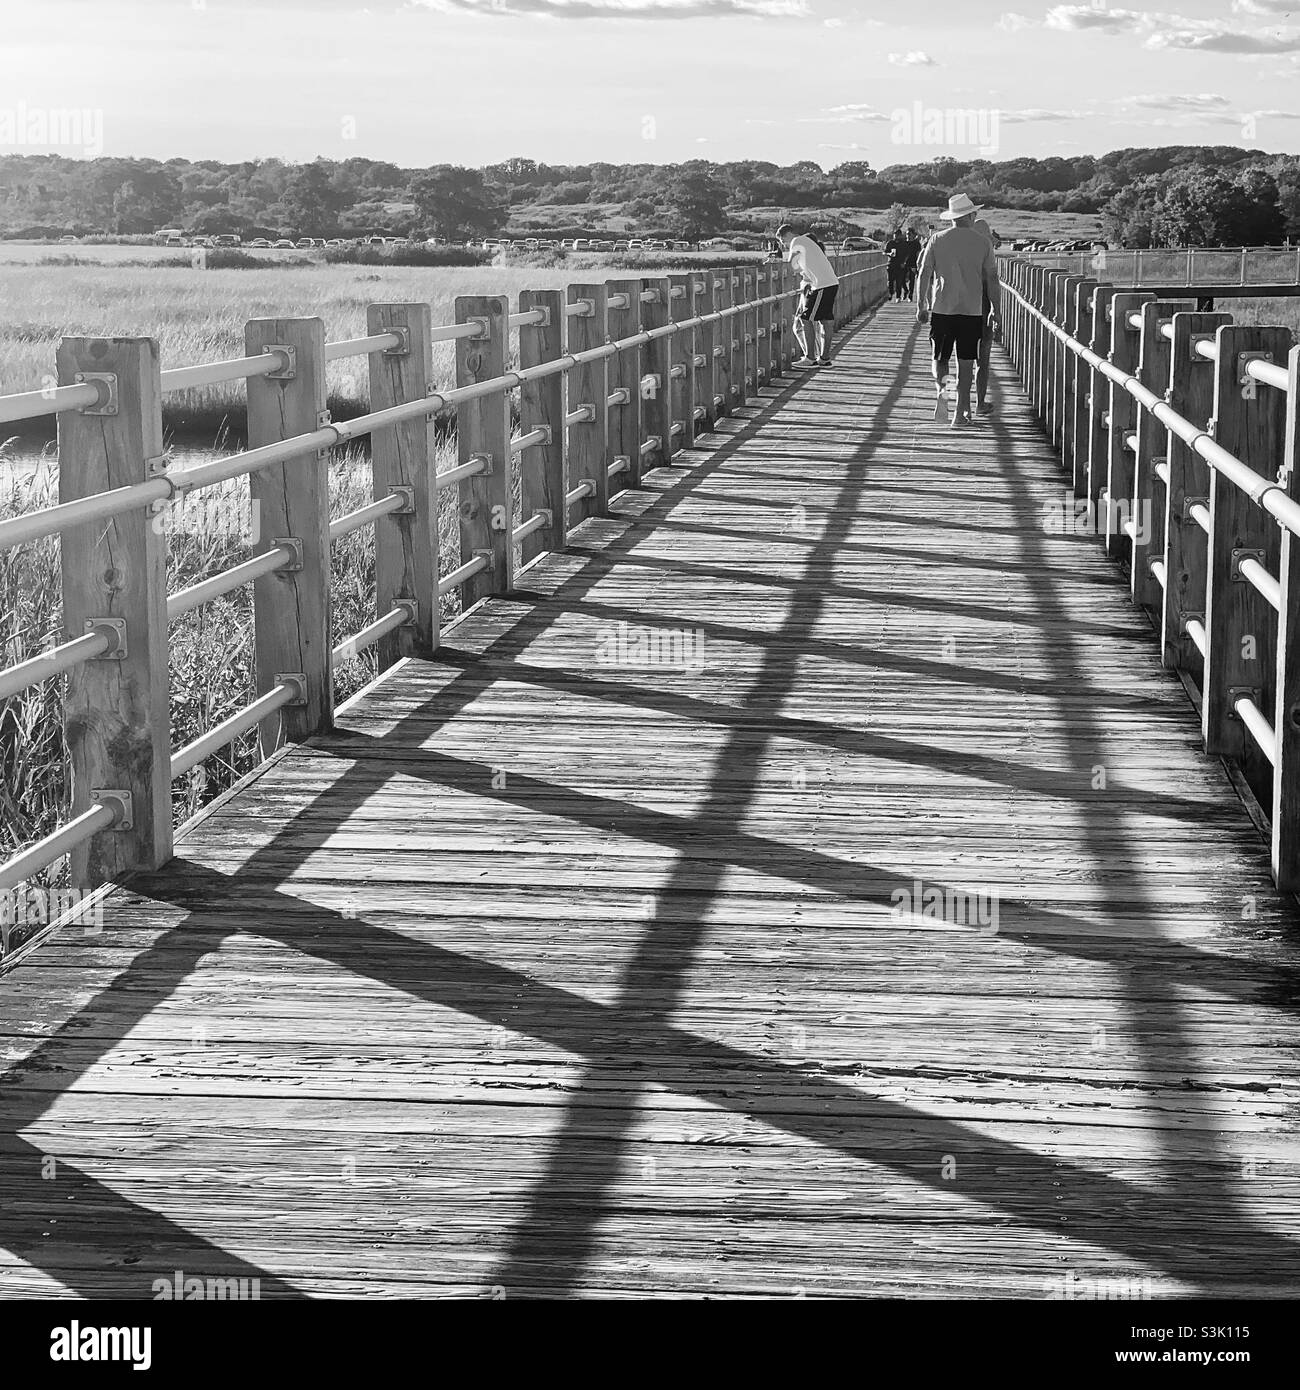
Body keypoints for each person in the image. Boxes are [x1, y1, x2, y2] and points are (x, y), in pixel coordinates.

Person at [914, 193, 1002, 429]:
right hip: (971, 311)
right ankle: (959, 414)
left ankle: (943, 393)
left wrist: (921, 304)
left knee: (940, 358)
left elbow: (924, 273)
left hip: (942, 309)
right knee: (965, 364)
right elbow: (992, 279)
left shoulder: (936, 239)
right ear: (970, 215)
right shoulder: (983, 243)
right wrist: (996, 309)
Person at [777, 223, 839, 366]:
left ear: (786, 235)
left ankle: (810, 357)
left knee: (806, 319)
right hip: (831, 283)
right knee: (826, 321)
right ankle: (824, 358)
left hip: (821, 285)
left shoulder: (796, 241)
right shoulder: (808, 242)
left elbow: (792, 265)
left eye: (783, 242)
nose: (785, 245)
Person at [973, 218, 1000, 417]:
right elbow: (992, 281)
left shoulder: (961, 254)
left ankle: (954, 400)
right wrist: (996, 309)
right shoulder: (987, 256)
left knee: (961, 359)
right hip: (983, 312)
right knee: (983, 361)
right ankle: (979, 402)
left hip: (959, 311)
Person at [884, 225, 908, 301]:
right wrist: (889, 254)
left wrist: (904, 262)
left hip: (900, 265)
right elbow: (885, 252)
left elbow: (907, 254)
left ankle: (898, 296)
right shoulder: (890, 243)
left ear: (900, 235)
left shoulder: (903, 244)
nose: (896, 236)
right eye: (895, 234)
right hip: (891, 264)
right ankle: (890, 293)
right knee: (890, 281)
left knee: (899, 282)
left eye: (897, 234)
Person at [902, 226, 923, 300]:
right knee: (901, 279)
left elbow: (918, 254)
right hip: (904, 264)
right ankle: (905, 290)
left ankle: (910, 295)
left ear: (913, 235)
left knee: (911, 280)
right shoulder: (904, 243)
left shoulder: (916, 244)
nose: (908, 235)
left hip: (913, 264)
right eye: (907, 234)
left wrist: (918, 265)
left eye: (909, 234)